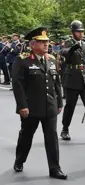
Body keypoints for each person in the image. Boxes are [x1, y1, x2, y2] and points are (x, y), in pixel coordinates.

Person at [11, 27, 67, 179]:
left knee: (52, 138)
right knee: (26, 136)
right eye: (42, 42)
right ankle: (19, 160)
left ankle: (55, 168)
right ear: (33, 44)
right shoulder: (23, 60)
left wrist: (59, 102)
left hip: (50, 106)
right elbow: (17, 84)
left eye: (47, 41)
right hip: (31, 108)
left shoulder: (52, 59)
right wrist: (22, 105)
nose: (46, 44)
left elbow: (56, 83)